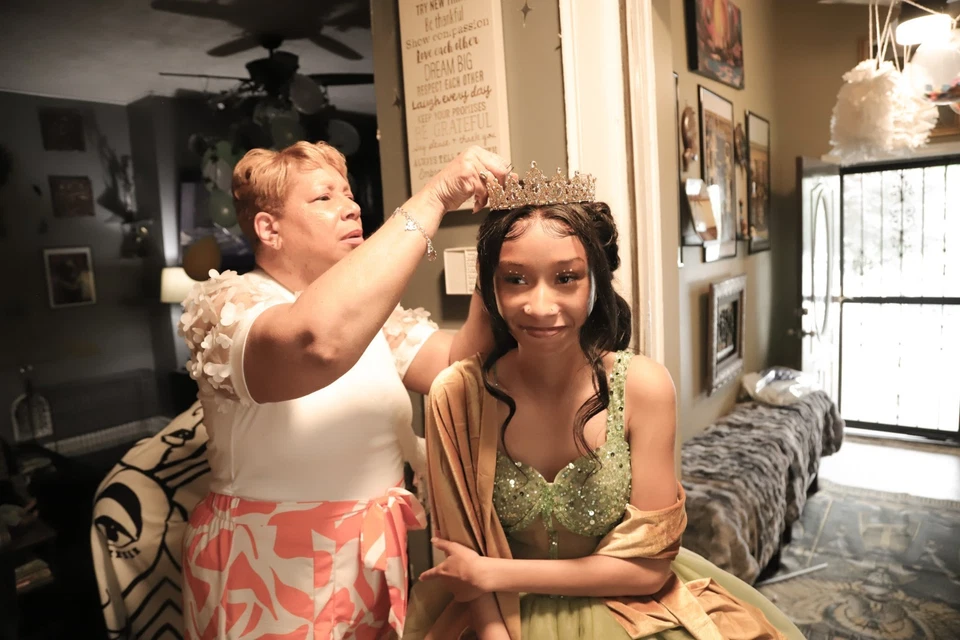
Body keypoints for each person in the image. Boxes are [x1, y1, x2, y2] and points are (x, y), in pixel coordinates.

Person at [403, 163, 804, 639]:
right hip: (492, 618)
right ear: (490, 287)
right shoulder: (456, 395)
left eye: (566, 278)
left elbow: (648, 569)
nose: (540, 305)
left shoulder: (643, 387)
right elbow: (464, 567)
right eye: (515, 280)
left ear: (596, 280)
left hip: (628, 610)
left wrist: (496, 573)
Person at [177, 141, 510, 639]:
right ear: (269, 229)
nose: (351, 206)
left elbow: (456, 362)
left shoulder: (370, 320)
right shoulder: (229, 306)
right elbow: (314, 342)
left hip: (370, 553)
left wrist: (496, 257)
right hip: (267, 563)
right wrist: (436, 197)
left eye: (349, 194)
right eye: (324, 198)